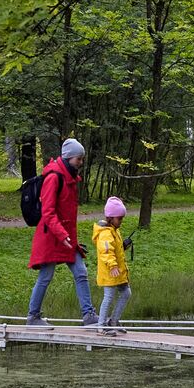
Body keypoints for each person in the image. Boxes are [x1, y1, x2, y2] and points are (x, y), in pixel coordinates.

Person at [26, 138, 99, 328]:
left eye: (82, 159)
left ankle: (89, 315)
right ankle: (33, 317)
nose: (81, 163)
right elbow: (48, 213)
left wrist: (72, 240)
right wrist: (63, 235)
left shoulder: (70, 177)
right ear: (68, 158)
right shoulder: (53, 177)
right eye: (78, 159)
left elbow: (67, 214)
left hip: (66, 237)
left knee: (81, 272)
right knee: (46, 276)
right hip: (51, 236)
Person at [92, 196, 131, 336]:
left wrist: (124, 246)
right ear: (110, 218)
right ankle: (101, 326)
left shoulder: (114, 230)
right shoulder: (105, 233)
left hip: (118, 272)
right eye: (119, 218)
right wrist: (113, 266)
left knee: (126, 293)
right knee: (108, 297)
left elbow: (116, 249)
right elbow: (106, 252)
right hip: (110, 272)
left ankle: (113, 321)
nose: (121, 221)